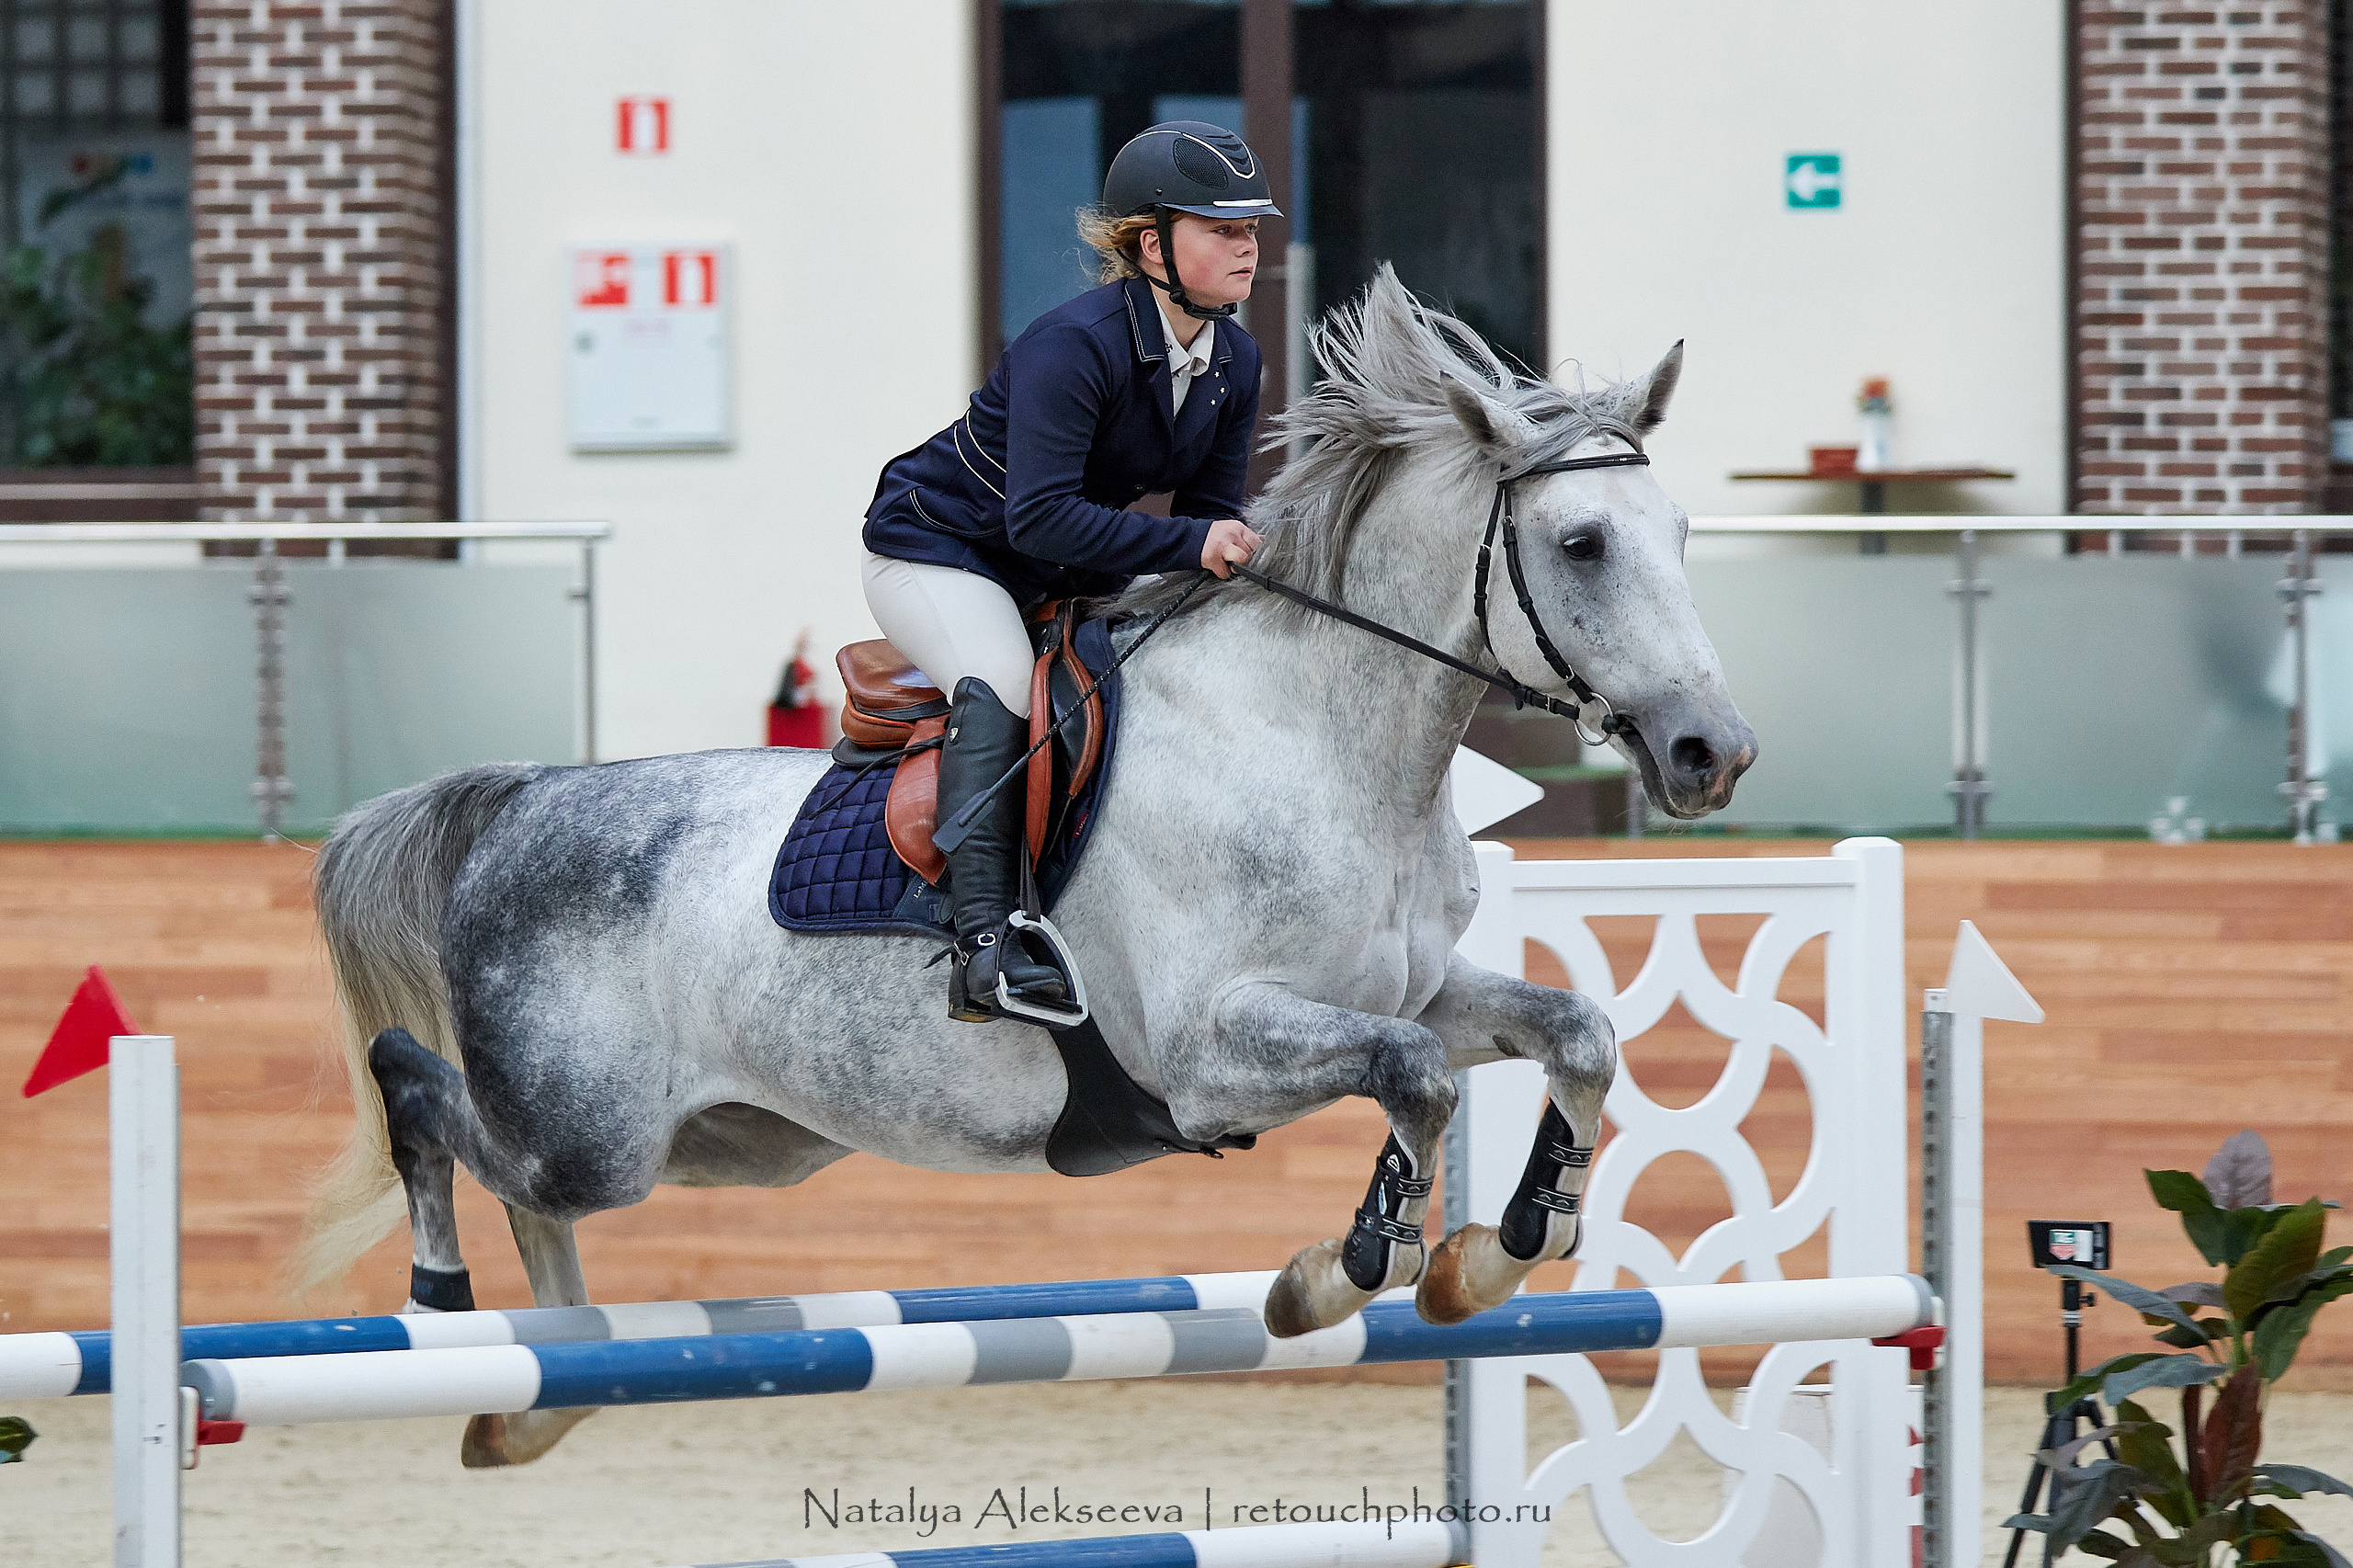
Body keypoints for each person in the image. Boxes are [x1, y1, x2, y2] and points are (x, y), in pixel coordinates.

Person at [862, 120, 1276, 1022]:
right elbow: (1040, 514)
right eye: (1222, 229)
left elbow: (1207, 515)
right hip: (939, 549)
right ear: (1151, 244)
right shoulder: (1072, 345)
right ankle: (982, 942)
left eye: (1250, 229)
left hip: (1059, 566)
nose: (1247, 247)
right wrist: (1193, 546)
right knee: (1004, 676)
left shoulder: (1234, 361)